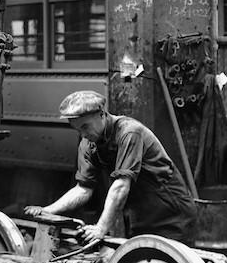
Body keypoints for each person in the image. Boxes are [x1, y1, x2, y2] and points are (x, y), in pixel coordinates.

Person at [25, 90, 197, 247]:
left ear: (102, 115)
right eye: (77, 129)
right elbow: (83, 188)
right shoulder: (88, 143)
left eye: (85, 126)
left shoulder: (129, 133)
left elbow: (121, 185)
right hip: (140, 216)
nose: (83, 135)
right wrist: (46, 210)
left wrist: (100, 228)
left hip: (171, 215)